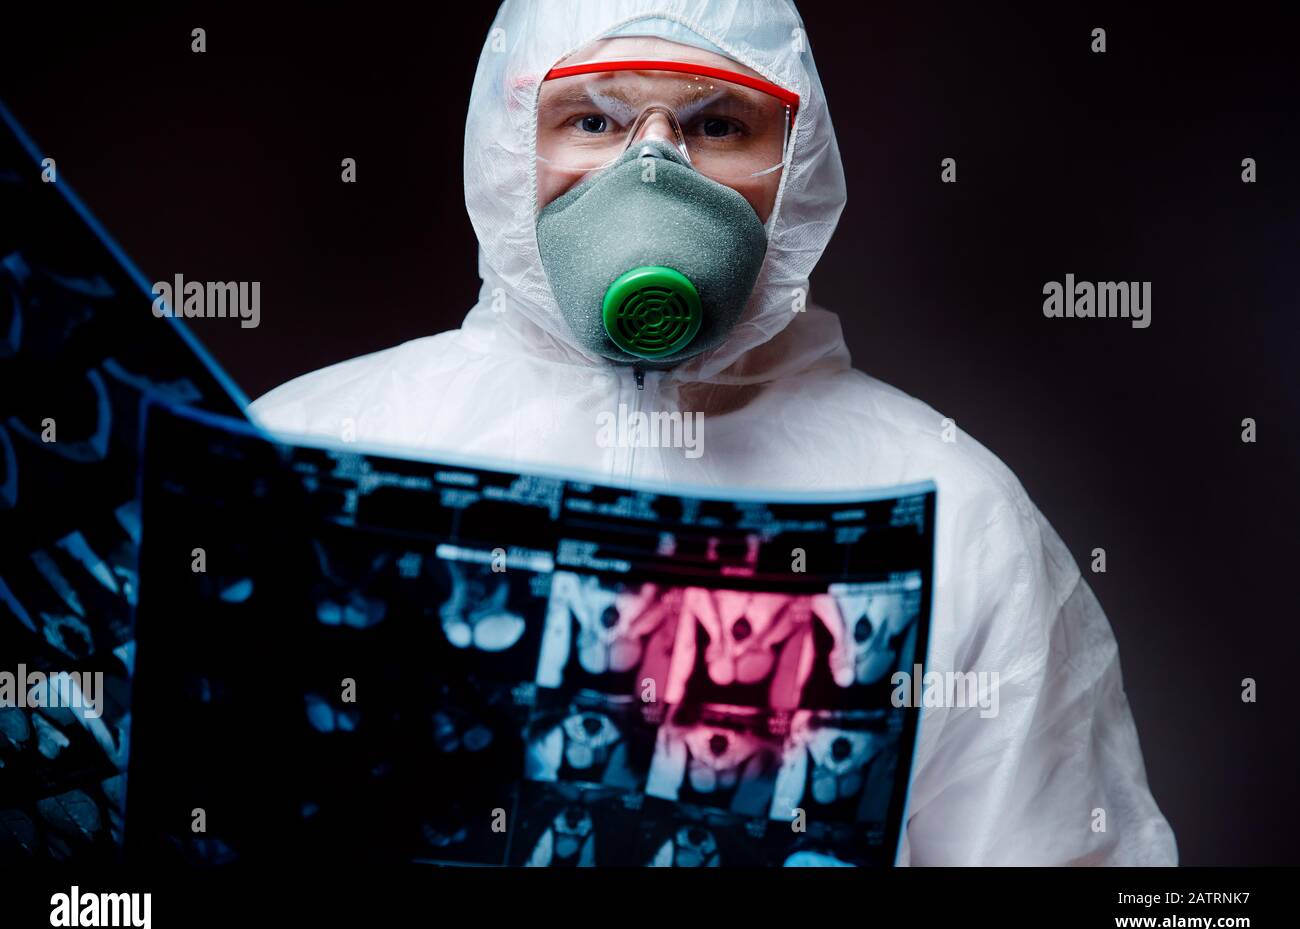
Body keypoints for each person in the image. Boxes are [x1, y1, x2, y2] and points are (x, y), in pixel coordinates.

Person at [249, 0, 1177, 865]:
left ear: (796, 159)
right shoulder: (305, 454)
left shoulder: (954, 514)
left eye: (718, 125)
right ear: (509, 142)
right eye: (595, 121)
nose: (653, 173)